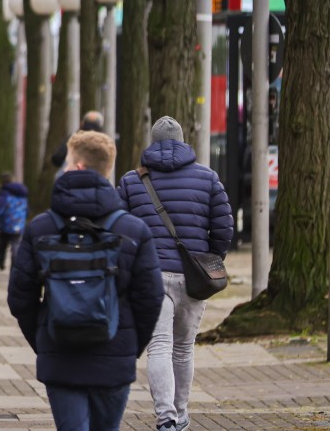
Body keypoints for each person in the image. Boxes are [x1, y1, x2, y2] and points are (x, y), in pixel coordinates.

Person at [8, 131, 163, 431]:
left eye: (67, 162)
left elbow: (20, 297)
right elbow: (150, 300)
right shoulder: (133, 230)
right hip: (115, 356)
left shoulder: (41, 228)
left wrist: (44, 340)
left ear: (78, 167)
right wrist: (129, 347)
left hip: (60, 355)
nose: (64, 168)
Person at [118, 116, 232, 431]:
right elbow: (223, 226)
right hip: (192, 276)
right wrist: (212, 259)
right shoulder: (208, 178)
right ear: (182, 142)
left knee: (158, 345)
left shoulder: (131, 181)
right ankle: (181, 414)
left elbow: (118, 230)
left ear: (152, 143)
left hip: (150, 275)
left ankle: (165, 417)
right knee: (183, 347)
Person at [0, 173, 28, 271]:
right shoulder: (23, 193)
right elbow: (26, 209)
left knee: (3, 245)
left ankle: (1, 262)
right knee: (15, 246)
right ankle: (14, 266)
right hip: (19, 224)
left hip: (5, 224)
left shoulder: (4, 193)